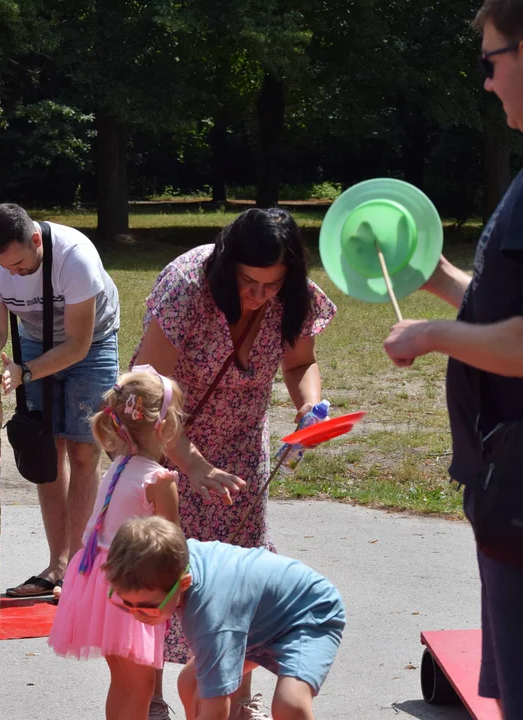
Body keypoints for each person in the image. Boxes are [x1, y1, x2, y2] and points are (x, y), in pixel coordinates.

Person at [131, 208, 336, 718]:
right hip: (168, 440)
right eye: (249, 282)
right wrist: (191, 465)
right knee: (163, 566)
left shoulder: (294, 297)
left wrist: (308, 405)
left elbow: (300, 362)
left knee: (236, 571)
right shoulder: (186, 284)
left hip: (242, 443)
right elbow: (150, 390)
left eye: (273, 284)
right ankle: (153, 699)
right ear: (227, 264)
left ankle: (236, 700)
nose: (260, 296)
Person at [382, 3, 523, 714]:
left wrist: (431, 334)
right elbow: (503, 317)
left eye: (490, 61)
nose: (486, 82)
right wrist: (440, 280)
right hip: (504, 490)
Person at [0, 203, 121, 599]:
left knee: (84, 452)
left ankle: (80, 571)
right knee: (44, 452)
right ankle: (56, 566)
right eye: (5, 268)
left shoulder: (75, 257)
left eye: (19, 265)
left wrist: (27, 371)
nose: (12, 274)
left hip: (93, 343)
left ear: (36, 239)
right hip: (36, 343)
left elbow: (78, 344)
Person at [105, 516, 345, 720]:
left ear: (184, 583)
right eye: (126, 604)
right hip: (254, 621)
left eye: (148, 607)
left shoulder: (210, 619)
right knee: (191, 684)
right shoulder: (168, 559)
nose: (137, 615)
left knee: (289, 704)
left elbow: (217, 711)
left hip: (306, 613)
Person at [48, 368, 183, 720]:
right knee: (140, 687)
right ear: (165, 426)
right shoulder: (158, 479)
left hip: (100, 584)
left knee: (122, 682)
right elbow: (173, 547)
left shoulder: (117, 468)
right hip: (133, 587)